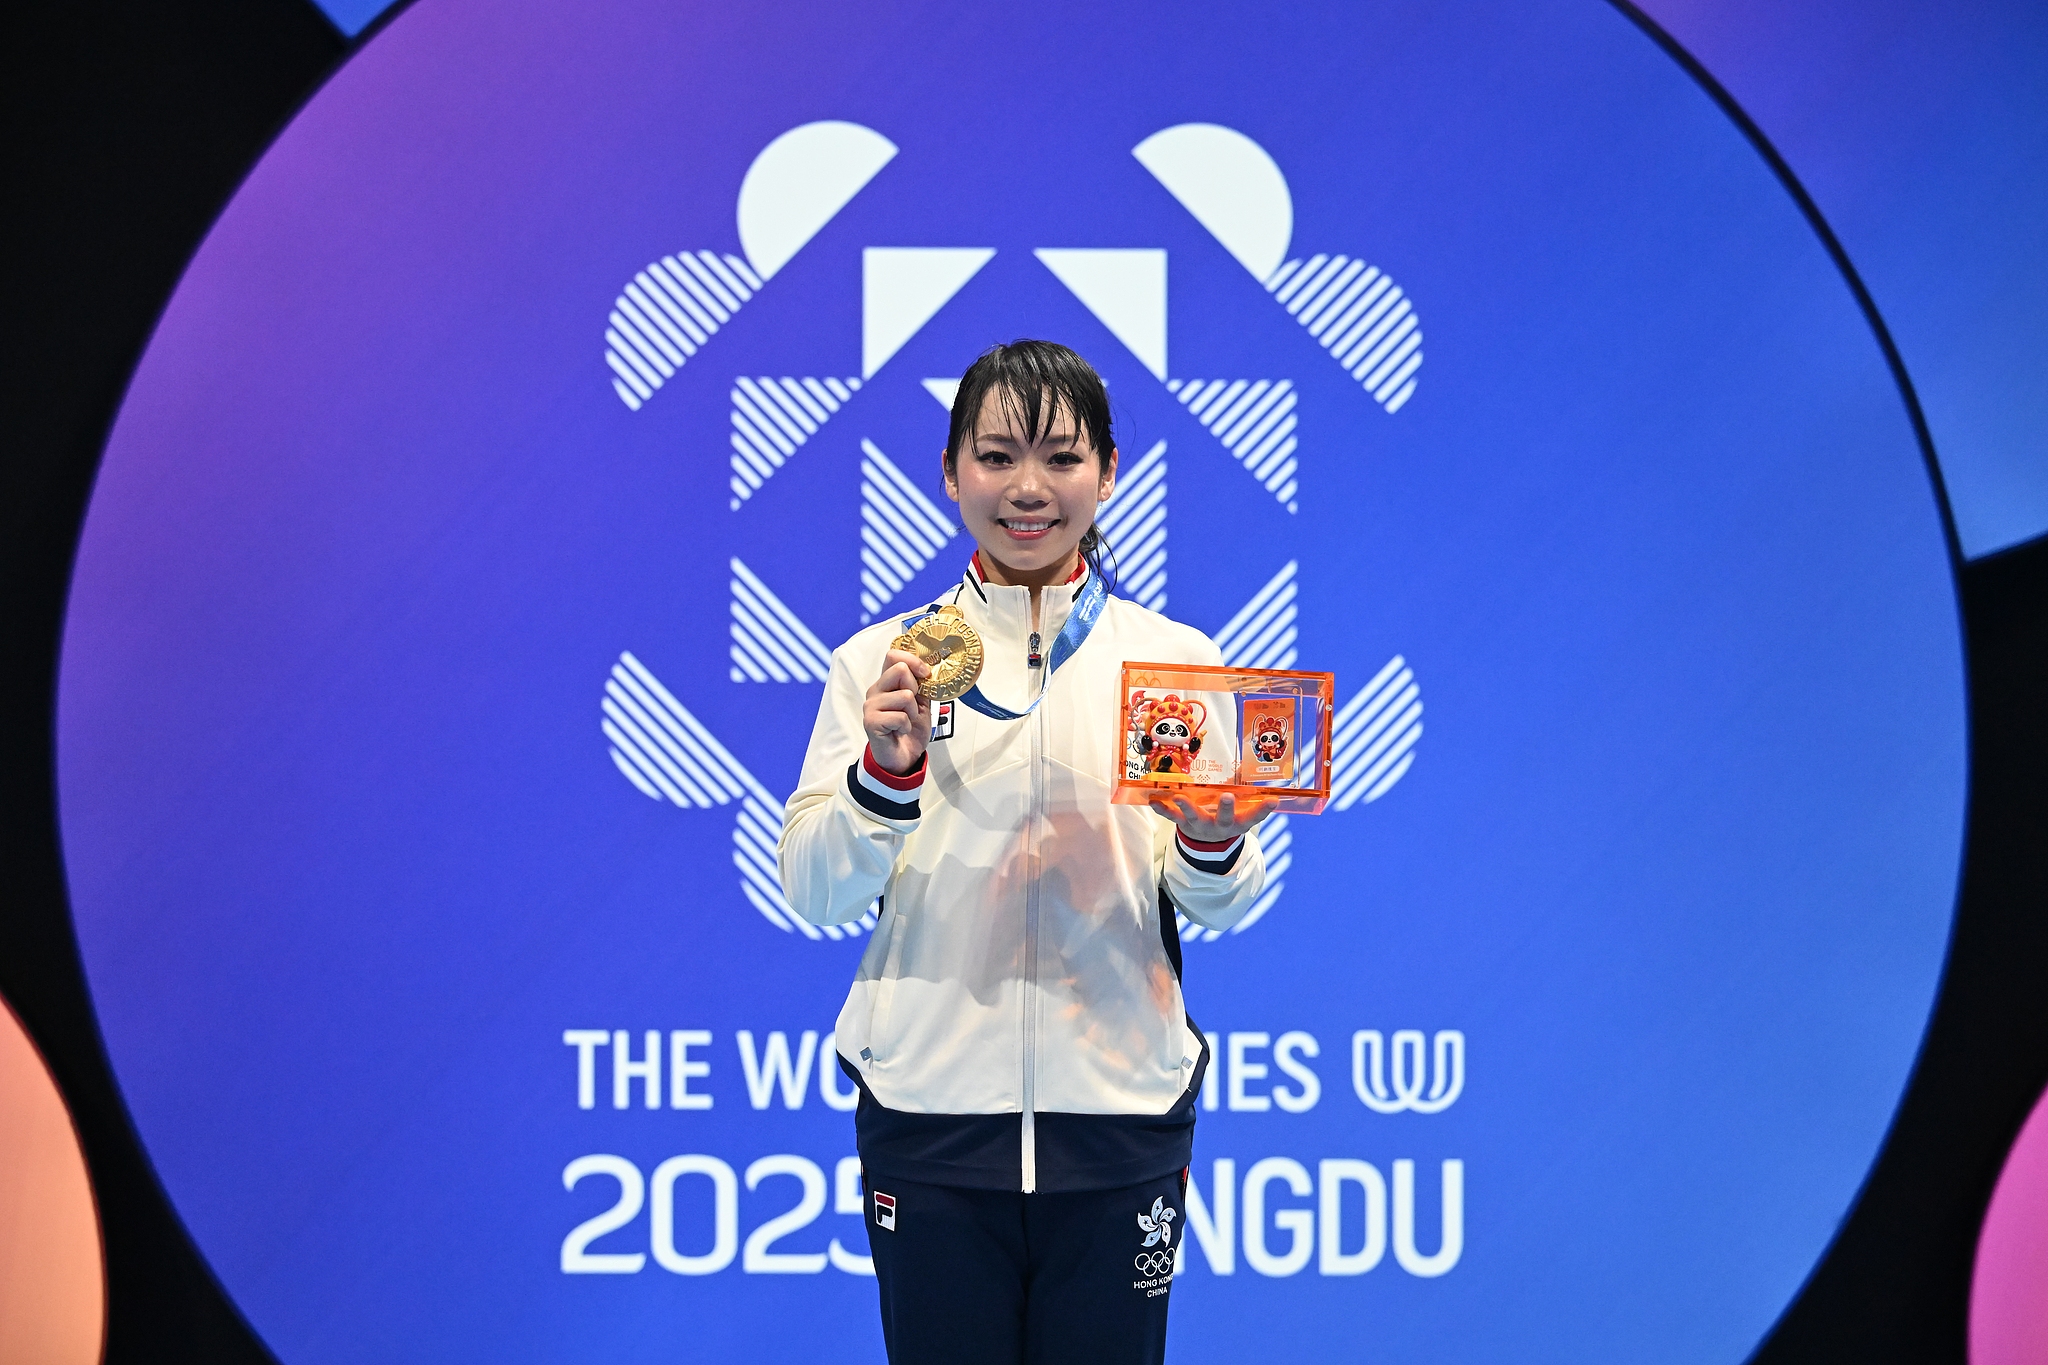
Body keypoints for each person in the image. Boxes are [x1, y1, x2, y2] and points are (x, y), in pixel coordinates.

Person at [778, 340, 1274, 1365]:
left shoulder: (1176, 662)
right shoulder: (883, 663)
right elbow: (814, 887)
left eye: (1059, 456)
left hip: (1119, 1118)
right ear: (950, 471)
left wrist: (1209, 839)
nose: (1028, 489)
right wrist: (884, 774)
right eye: (997, 457)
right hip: (930, 1121)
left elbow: (1221, 906)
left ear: (1108, 471)